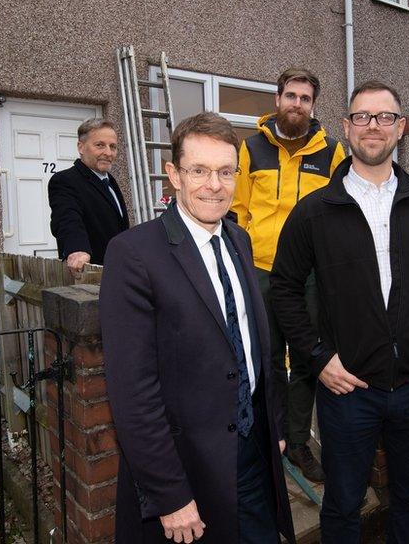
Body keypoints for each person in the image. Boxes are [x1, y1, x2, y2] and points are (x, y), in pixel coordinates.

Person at [271, 80, 409, 543]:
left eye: (385, 117)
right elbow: (283, 288)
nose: (373, 126)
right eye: (362, 116)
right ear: (346, 127)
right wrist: (317, 358)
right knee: (343, 506)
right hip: (348, 388)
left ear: (401, 128)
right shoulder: (315, 210)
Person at [101, 112, 294, 544]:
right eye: (200, 171)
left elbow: (258, 347)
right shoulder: (133, 253)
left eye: (226, 172)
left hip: (253, 455)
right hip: (187, 470)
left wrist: (273, 426)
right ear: (174, 174)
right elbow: (132, 391)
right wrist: (169, 494)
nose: (214, 184)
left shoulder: (239, 240)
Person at [231, 67, 346, 482]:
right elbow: (237, 210)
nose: (297, 104)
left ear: (313, 105)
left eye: (305, 99)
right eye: (291, 96)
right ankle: (270, 437)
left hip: (309, 276)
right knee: (265, 359)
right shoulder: (250, 149)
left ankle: (297, 443)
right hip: (261, 270)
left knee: (306, 361)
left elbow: (339, 215)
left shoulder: (331, 152)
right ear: (277, 99)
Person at [48, 118, 129, 270]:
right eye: (100, 145)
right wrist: (76, 248)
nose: (108, 152)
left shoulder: (110, 181)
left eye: (113, 147)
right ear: (81, 147)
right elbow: (66, 218)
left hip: (120, 272)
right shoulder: (65, 180)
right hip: (90, 277)